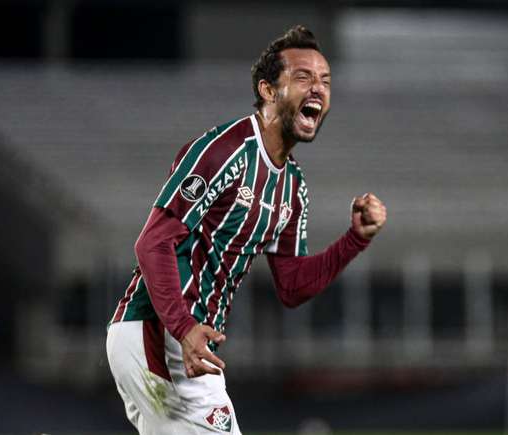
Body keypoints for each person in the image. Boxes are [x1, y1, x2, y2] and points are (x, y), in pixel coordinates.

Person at [106, 25, 387, 434]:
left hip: (190, 348)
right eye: (303, 77)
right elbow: (152, 242)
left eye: (325, 81)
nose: (318, 90)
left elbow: (291, 285)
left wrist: (354, 240)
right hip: (159, 335)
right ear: (269, 90)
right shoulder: (226, 150)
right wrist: (183, 329)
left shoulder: (292, 186)